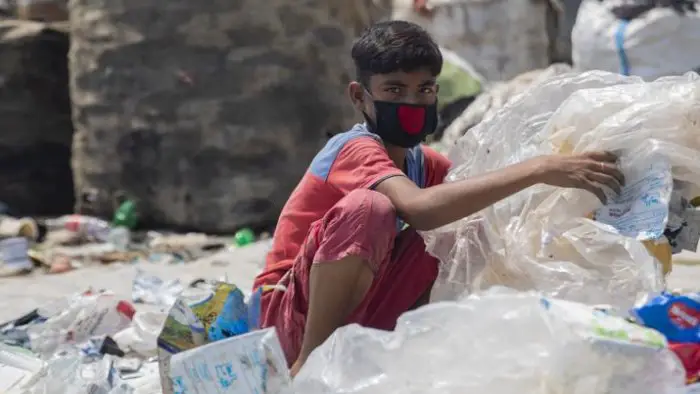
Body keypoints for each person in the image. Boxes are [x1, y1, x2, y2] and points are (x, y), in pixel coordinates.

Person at [252, 20, 624, 377]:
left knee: (471, 222)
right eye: (394, 91)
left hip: (360, 314)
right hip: (286, 320)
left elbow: (485, 199)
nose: (412, 102)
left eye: (424, 90)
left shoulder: (423, 163)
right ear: (359, 97)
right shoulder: (354, 149)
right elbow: (420, 209)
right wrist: (539, 167)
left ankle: (408, 348)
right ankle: (306, 368)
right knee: (370, 209)